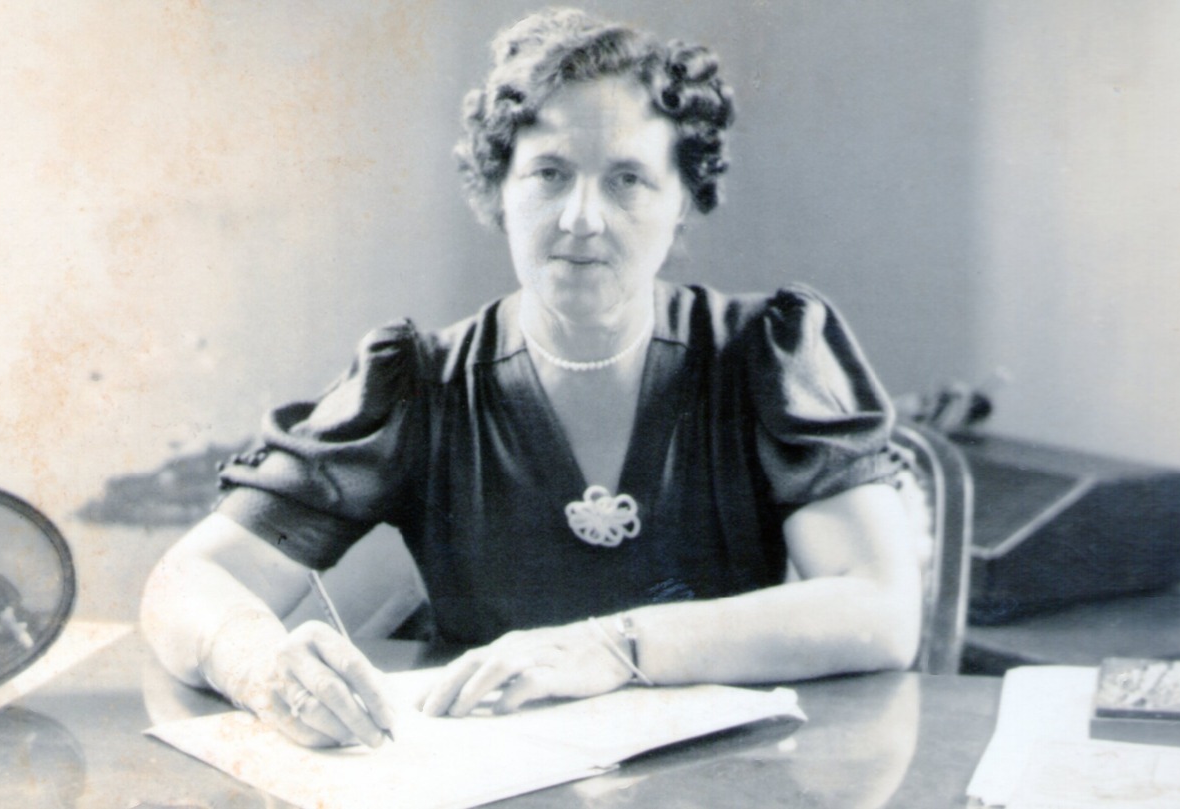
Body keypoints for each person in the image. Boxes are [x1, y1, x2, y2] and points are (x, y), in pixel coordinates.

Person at [141, 7, 923, 749]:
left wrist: (611, 646)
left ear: (683, 199)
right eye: (549, 172)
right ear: (499, 187)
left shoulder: (761, 354)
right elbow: (187, 580)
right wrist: (259, 663)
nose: (582, 217)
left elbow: (881, 608)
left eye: (627, 179)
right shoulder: (419, 386)